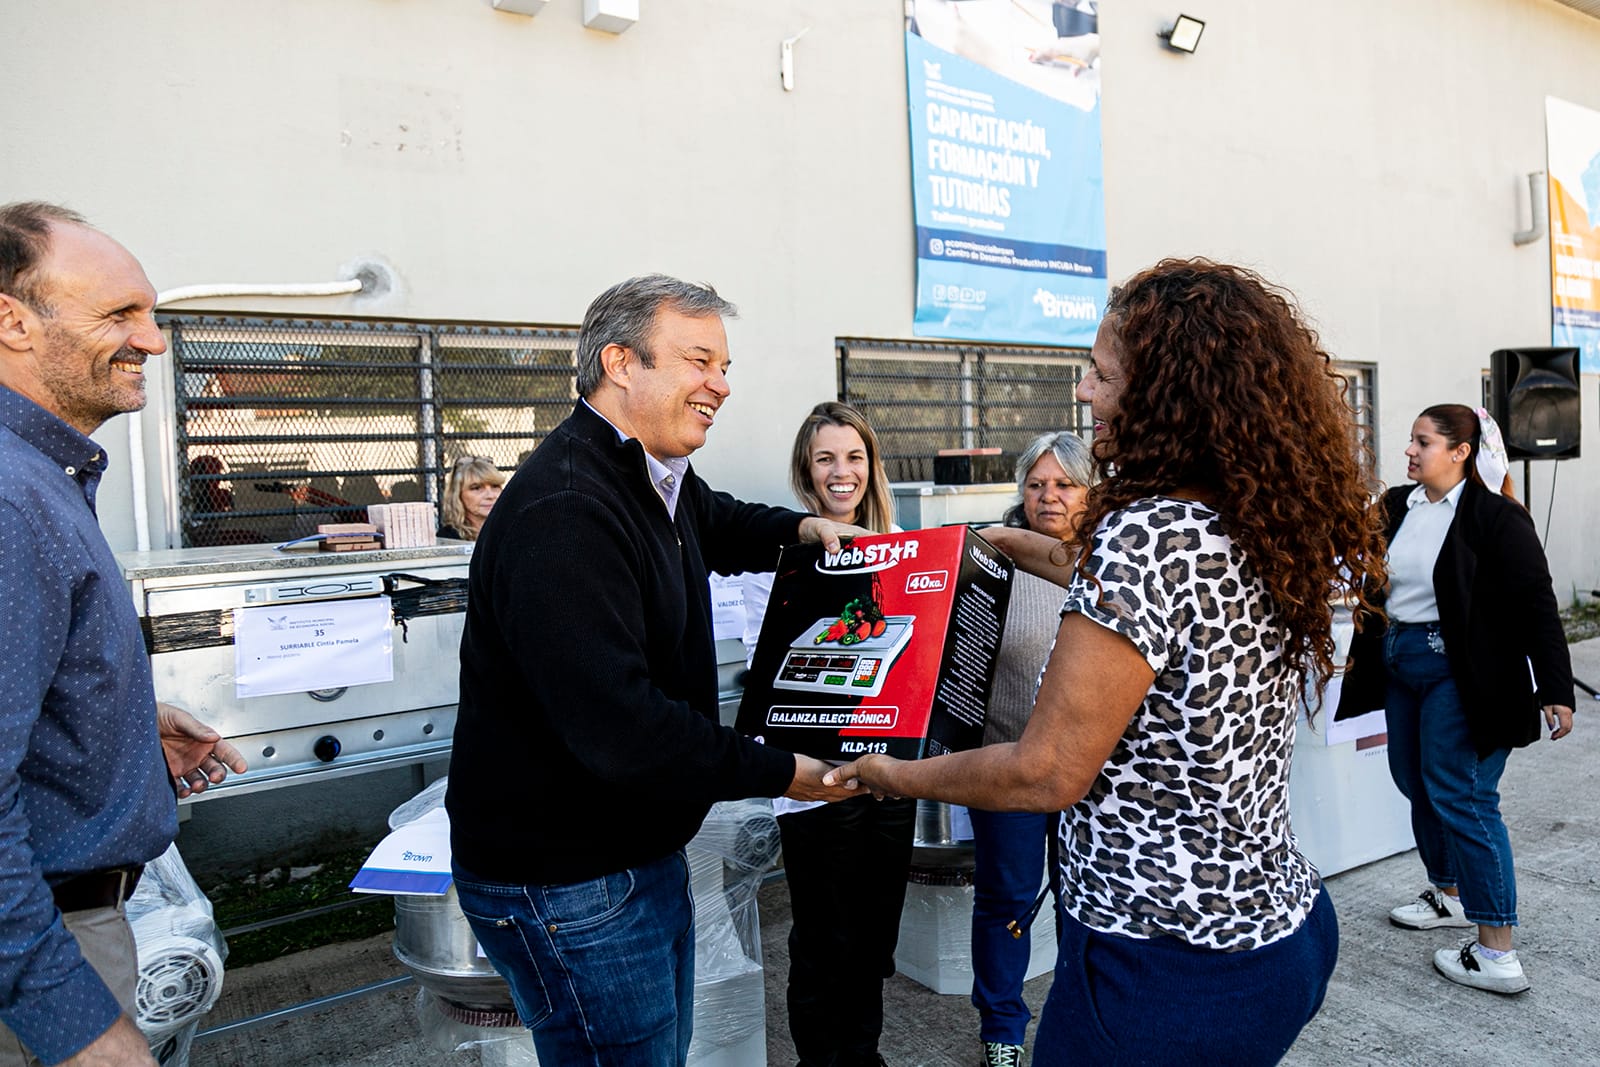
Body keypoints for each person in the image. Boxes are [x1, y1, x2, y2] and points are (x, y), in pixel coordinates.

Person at [824, 258, 1387, 1065]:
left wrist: (890, 773)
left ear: (1164, 388)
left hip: (1162, 968)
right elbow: (1155, 604)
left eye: (1099, 372)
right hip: (1280, 929)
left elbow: (1044, 772)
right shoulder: (1250, 513)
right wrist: (1026, 547)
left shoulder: (1145, 533)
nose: (1084, 392)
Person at [445, 275, 864, 1067]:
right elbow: (624, 727)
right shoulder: (567, 508)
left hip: (632, 858)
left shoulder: (651, 473)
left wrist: (806, 528)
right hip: (571, 881)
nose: (721, 384)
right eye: (699, 360)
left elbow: (717, 520)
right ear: (620, 363)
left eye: (725, 364)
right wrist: (785, 771)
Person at [0, 201, 246, 1066]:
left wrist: (120, 735)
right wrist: (76, 1026)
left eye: (151, 312)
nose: (154, 340)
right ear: (11, 321)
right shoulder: (10, 496)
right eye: (119, 315)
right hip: (47, 964)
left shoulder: (42, 479)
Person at [1337, 404, 1575, 995]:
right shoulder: (1397, 505)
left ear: (1460, 452)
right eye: (1411, 440)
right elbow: (1352, 555)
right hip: (1400, 661)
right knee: (1414, 780)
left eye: (1423, 442)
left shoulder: (1495, 517)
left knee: (1463, 795)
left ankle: (1497, 953)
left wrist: (1555, 688)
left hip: (1461, 672)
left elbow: (1537, 604)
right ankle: (1447, 895)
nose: (1410, 451)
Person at [740, 401, 912, 1067]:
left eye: (853, 457)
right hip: (815, 777)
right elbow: (772, 676)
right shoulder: (780, 559)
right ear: (806, 472)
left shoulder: (902, 545)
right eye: (825, 459)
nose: (841, 472)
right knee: (823, 939)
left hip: (890, 772)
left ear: (871, 465)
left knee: (871, 937)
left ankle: (863, 1055)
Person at [966, 430, 1093, 1067]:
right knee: (1008, 900)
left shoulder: (1107, 560)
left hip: (1088, 769)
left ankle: (1081, 1016)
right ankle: (1003, 1030)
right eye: (1036, 483)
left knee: (1086, 899)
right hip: (1009, 763)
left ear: (1089, 489)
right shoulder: (992, 559)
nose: (1048, 496)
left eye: (1064, 484)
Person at [437, 455, 505, 541]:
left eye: (495, 486)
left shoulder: (513, 530)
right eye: (476, 488)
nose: (490, 495)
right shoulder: (448, 538)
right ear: (458, 495)